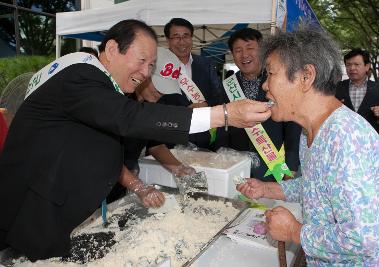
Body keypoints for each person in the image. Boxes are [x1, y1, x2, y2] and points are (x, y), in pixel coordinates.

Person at [0, 19, 271, 261]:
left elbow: (107, 145)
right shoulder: (81, 76)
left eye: (151, 65)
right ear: (111, 50)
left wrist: (140, 185)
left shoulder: (106, 91)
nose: (145, 72)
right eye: (141, 60)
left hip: (62, 209)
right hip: (33, 211)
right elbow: (130, 117)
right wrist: (222, 114)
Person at [237, 26, 379, 265]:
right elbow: (316, 184)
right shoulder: (310, 131)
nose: (264, 86)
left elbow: (363, 238)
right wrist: (267, 189)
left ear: (306, 77)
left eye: (270, 74)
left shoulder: (345, 139)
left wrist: (294, 231)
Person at [216, 28, 301, 181]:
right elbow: (222, 126)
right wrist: (221, 158)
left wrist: (291, 165)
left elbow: (292, 125)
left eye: (250, 48)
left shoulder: (278, 81)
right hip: (235, 166)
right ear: (232, 55)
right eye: (238, 50)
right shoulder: (227, 86)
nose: (244, 55)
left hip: (273, 166)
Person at [163, 17, 224, 149]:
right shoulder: (159, 67)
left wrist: (206, 104)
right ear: (168, 40)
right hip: (171, 140)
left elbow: (219, 95)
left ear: (191, 38)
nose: (182, 41)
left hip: (204, 138)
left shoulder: (205, 64)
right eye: (176, 37)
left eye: (186, 36)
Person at [335, 48, 379, 133]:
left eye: (356, 64)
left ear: (367, 66)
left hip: (369, 138)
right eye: (348, 65)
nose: (352, 68)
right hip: (343, 137)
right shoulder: (337, 87)